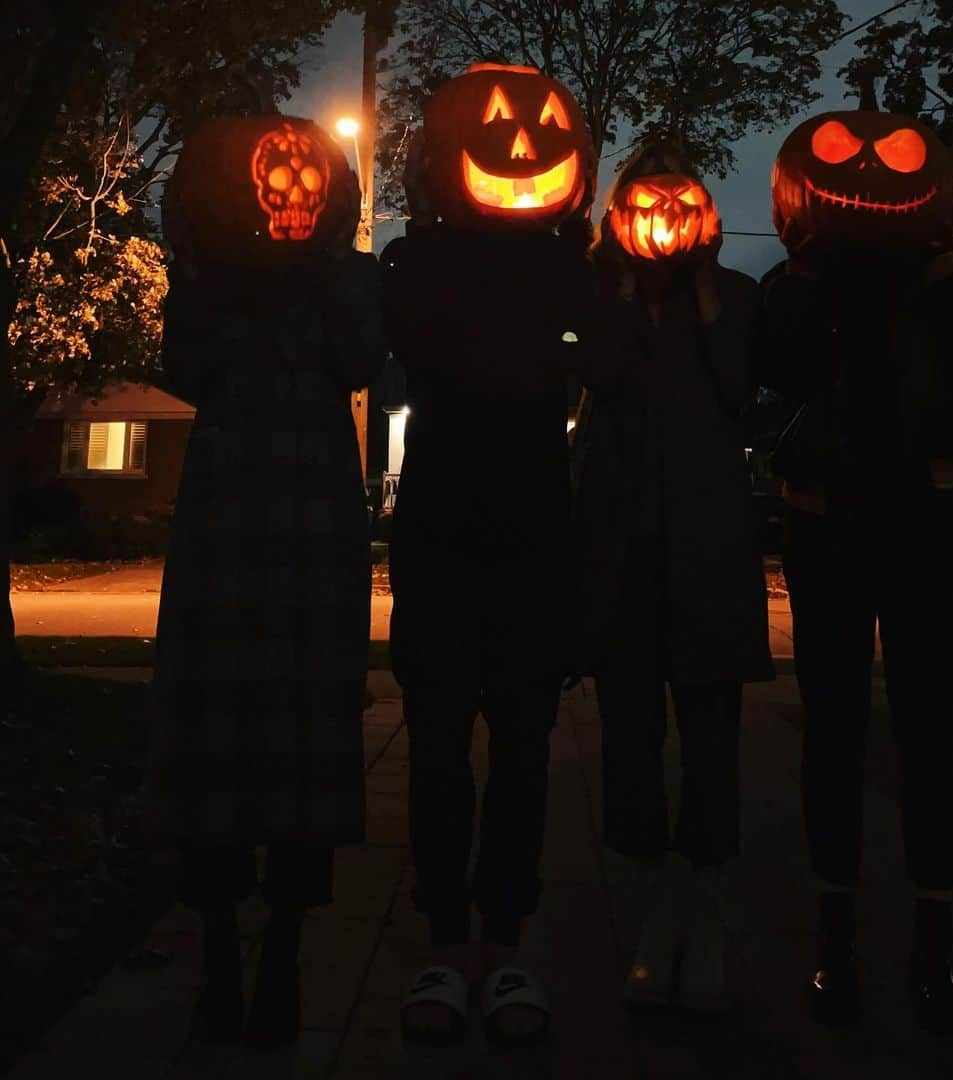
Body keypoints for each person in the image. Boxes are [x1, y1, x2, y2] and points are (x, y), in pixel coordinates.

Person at [755, 105, 953, 1034]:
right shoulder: (803, 284)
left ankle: (931, 947)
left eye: (892, 157)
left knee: (927, 733)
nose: (863, 170)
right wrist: (809, 270)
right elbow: (773, 366)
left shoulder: (942, 284)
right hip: (829, 522)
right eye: (839, 157)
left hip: (919, 522)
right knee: (832, 731)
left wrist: (941, 269)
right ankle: (837, 943)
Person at [147, 158, 384, 1048]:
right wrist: (232, 275)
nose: (286, 189)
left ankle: (283, 946)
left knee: (303, 731)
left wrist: (314, 269)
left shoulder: (348, 272)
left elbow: (363, 360)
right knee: (214, 729)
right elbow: (182, 365)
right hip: (223, 513)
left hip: (316, 514)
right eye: (267, 174)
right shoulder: (210, 271)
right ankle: (217, 948)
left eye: (303, 174)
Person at [383, 129, 594, 1047]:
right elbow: (409, 354)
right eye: (491, 128)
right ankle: (447, 939)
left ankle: (504, 941)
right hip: (437, 536)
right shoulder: (414, 261)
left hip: (536, 540)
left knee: (520, 754)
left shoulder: (567, 268)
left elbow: (586, 368)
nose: (515, 144)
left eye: (544, 133)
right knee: (436, 751)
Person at [573, 140, 774, 1012]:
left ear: (706, 217)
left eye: (678, 203)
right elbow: (589, 382)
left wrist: (700, 300)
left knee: (712, 744)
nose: (662, 218)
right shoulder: (599, 298)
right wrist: (622, 295)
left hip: (709, 548)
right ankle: (651, 914)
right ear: (619, 217)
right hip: (623, 549)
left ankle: (704, 915)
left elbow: (741, 397)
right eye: (643, 204)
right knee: (627, 741)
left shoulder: (734, 299)